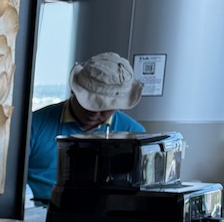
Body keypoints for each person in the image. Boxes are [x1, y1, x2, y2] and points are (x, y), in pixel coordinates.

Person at [27, 52, 146, 201]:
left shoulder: (133, 134)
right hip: (36, 213)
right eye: (89, 104)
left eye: (104, 108)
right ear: (74, 92)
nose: (95, 112)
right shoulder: (33, 124)